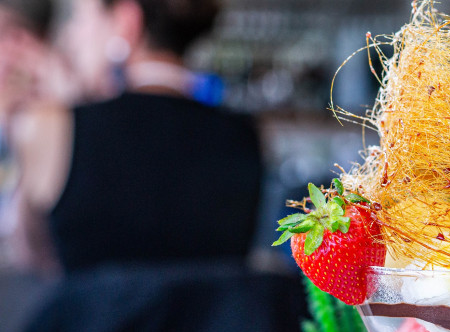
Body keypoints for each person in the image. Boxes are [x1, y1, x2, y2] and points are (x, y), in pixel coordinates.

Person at [8, 0, 264, 273]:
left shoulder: (53, 126)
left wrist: (62, 108)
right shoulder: (244, 136)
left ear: (127, 22)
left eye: (79, 17)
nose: (70, 36)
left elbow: (32, 256)